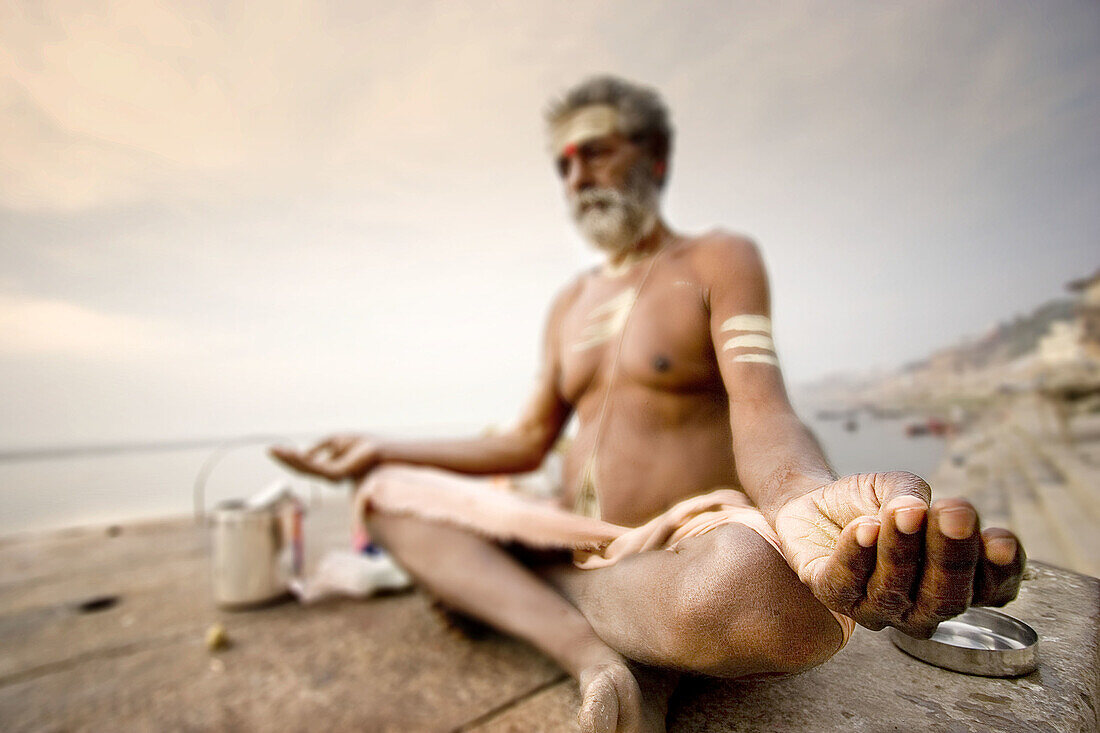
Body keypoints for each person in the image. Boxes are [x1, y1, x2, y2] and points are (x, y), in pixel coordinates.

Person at [272, 76, 1024, 733]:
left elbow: (760, 409)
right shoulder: (570, 302)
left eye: (597, 151)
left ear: (655, 160)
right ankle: (595, 650)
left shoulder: (716, 260)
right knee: (390, 495)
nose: (578, 176)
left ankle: (540, 599)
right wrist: (382, 447)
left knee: (767, 597)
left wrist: (799, 495)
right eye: (565, 163)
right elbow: (528, 440)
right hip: (573, 533)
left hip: (680, 542)